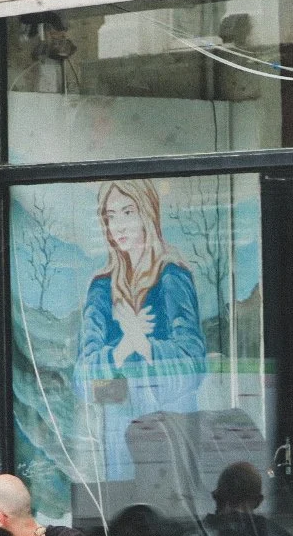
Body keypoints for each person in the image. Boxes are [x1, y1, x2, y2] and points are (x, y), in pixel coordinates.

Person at [73, 179, 207, 481]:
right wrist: (124, 347)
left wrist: (143, 345)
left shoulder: (172, 276)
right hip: (119, 430)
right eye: (111, 216)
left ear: (147, 213)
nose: (118, 225)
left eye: (128, 212)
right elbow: (83, 379)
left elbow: (194, 364)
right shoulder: (101, 288)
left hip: (171, 426)